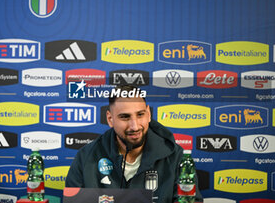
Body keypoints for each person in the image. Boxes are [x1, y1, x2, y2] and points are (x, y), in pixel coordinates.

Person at [65, 85, 203, 203]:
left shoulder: (175, 157)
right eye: (125, 117)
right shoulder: (86, 157)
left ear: (148, 114)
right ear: (110, 119)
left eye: (140, 114)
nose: (135, 126)